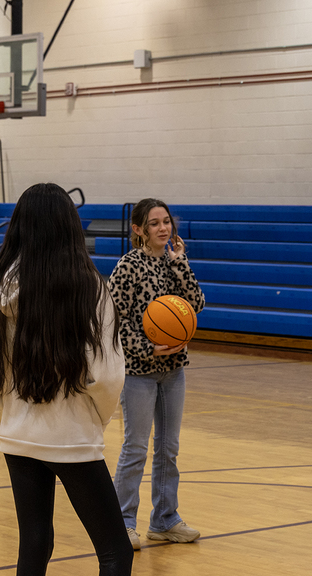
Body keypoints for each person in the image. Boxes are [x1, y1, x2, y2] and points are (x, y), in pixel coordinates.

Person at [0, 183, 142, 576]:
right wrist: (93, 420)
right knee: (114, 551)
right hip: (73, 439)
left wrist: (17, 404)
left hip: (18, 439)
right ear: (69, 225)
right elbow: (106, 376)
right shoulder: (89, 284)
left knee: (34, 548)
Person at [108, 198, 206, 550]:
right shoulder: (128, 267)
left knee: (169, 448)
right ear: (138, 230)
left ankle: (165, 520)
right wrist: (147, 348)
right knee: (135, 448)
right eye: (154, 223)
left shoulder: (173, 262)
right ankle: (122, 522)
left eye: (166, 221)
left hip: (174, 369)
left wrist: (181, 265)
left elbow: (196, 304)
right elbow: (112, 322)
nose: (163, 228)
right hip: (138, 371)